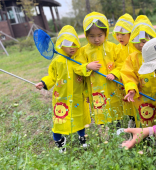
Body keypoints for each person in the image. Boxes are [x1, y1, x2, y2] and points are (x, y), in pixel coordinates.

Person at [35, 25, 91, 153]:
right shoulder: (57, 61)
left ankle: (82, 137)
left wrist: (88, 67)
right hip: (62, 98)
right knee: (59, 121)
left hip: (78, 97)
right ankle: (60, 141)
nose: (72, 47)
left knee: (79, 118)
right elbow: (52, 77)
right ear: (60, 44)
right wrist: (43, 83)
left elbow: (84, 74)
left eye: (74, 43)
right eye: (67, 44)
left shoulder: (79, 59)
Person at [74, 12, 123, 135]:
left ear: (106, 33)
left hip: (112, 86)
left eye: (100, 35)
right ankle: (103, 128)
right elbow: (77, 67)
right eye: (92, 36)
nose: (96, 39)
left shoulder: (113, 47)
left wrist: (115, 73)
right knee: (99, 107)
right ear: (86, 35)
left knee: (115, 105)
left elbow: (121, 64)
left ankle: (118, 127)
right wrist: (87, 66)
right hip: (96, 87)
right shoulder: (84, 51)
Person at [120, 16, 156, 129]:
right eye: (136, 41)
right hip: (141, 97)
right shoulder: (132, 58)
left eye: (144, 41)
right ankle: (145, 136)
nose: (141, 45)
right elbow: (128, 75)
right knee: (144, 116)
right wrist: (131, 89)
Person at [112, 13, 136, 128]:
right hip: (123, 81)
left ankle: (138, 118)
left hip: (134, 80)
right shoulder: (117, 49)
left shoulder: (135, 47)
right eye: (117, 34)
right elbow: (116, 65)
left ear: (131, 33)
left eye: (123, 34)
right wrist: (116, 73)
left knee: (136, 100)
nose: (119, 37)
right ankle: (132, 119)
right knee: (127, 102)